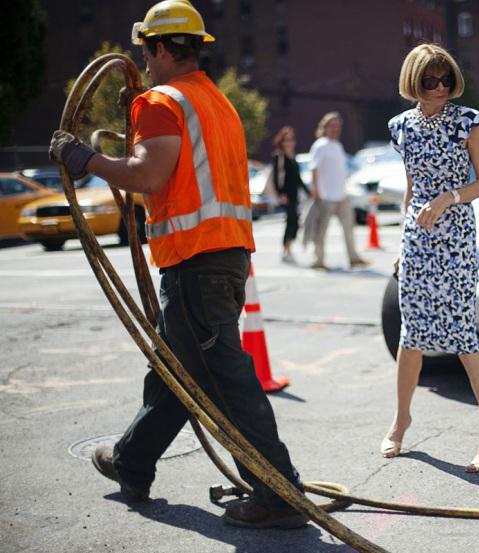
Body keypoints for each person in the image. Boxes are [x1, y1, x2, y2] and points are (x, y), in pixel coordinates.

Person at [48, 0, 307, 529]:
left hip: (195, 263)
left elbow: (147, 176)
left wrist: (84, 159)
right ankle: (132, 462)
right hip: (225, 258)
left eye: (147, 51)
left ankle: (278, 493)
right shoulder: (214, 101)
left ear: (164, 48)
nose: (144, 61)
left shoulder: (162, 101)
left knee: (224, 382)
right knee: (174, 371)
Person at [382, 44, 479, 473]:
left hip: (455, 238)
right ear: (413, 82)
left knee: (462, 335)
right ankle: (401, 422)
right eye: (429, 80)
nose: (439, 87)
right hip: (416, 240)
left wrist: (447, 198)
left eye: (445, 79)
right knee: (410, 336)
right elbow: (410, 189)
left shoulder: (469, 121)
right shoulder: (401, 127)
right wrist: (402, 245)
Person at [308, 112, 368, 270]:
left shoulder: (337, 146)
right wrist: (316, 191)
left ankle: (353, 258)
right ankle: (318, 260)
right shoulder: (320, 145)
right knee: (321, 230)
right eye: (332, 126)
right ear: (325, 127)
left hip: (342, 195)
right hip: (326, 196)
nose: (335, 129)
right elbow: (314, 169)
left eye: (337, 126)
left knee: (349, 228)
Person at [272, 126, 309, 263]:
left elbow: (298, 178)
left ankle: (289, 248)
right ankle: (285, 250)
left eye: (291, 140)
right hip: (286, 196)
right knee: (291, 221)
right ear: (282, 142)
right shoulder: (279, 156)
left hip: (295, 195)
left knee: (296, 222)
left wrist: (308, 191)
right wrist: (280, 194)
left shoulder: (294, 157)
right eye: (286, 140)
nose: (289, 142)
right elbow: (275, 177)